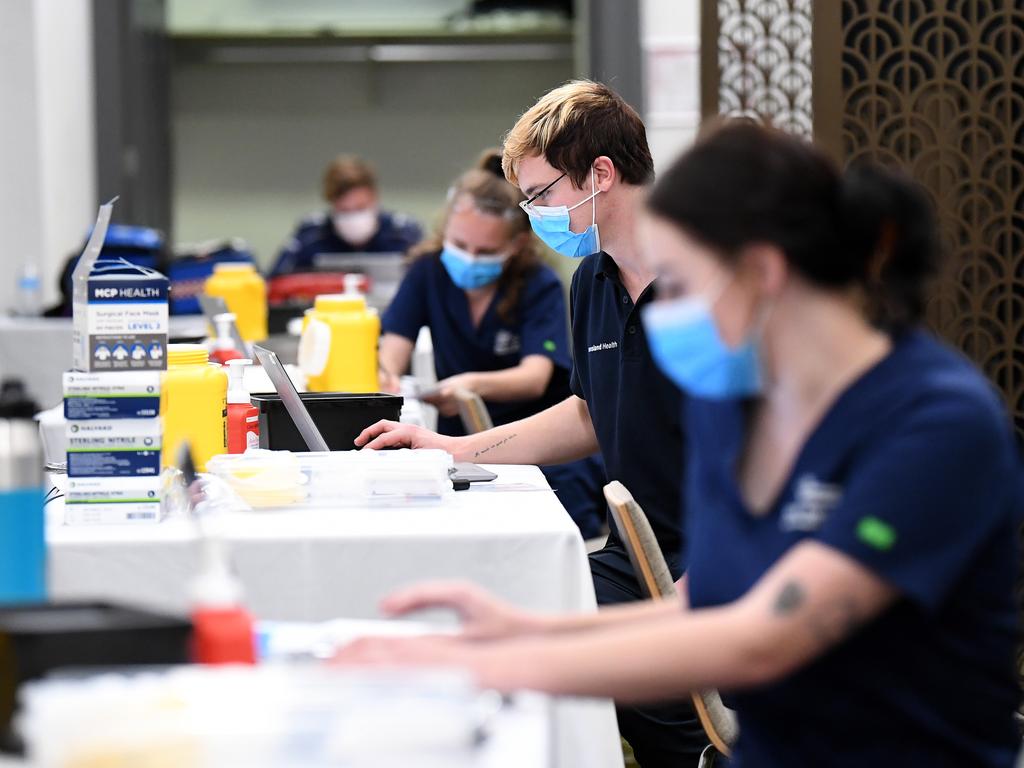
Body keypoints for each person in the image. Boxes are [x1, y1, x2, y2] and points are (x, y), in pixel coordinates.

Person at [339, 122, 1024, 767]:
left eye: (683, 285)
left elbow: (767, 636)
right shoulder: (744, 417)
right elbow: (692, 611)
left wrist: (482, 666)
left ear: (761, 270)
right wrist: (520, 629)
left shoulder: (935, 424)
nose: (665, 314)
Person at [356, 81, 706, 765]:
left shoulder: (707, 283)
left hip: (720, 559)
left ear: (601, 175)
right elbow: (586, 412)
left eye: (543, 194)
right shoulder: (593, 284)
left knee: (620, 677)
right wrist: (450, 448)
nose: (535, 213)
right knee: (530, 644)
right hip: (641, 554)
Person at [379, 150, 606, 538]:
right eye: (459, 245)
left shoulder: (540, 285)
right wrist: (387, 376)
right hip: (457, 438)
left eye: (484, 252)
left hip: (538, 442)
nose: (469, 259)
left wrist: (472, 385)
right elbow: (394, 345)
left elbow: (535, 377)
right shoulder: (427, 272)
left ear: (516, 244)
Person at [270, 155, 421, 277]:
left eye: (360, 208)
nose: (353, 217)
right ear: (331, 204)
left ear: (375, 198)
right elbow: (275, 282)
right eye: (344, 210)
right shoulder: (311, 234)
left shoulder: (403, 233)